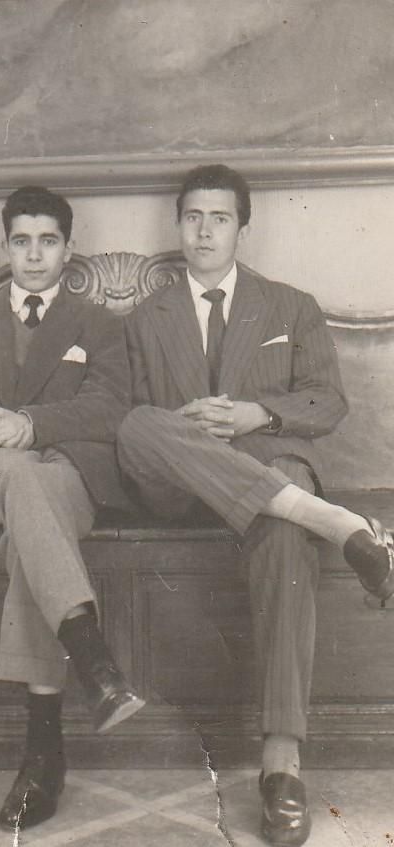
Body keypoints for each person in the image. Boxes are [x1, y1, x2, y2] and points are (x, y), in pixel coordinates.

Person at [117, 164, 393, 847]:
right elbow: (118, 414)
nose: (203, 230)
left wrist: (254, 414)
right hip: (178, 488)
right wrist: (183, 423)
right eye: (192, 217)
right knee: (136, 427)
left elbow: (327, 403)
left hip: (268, 472)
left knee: (282, 534)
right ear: (176, 223)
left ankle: (281, 765)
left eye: (218, 218)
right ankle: (338, 524)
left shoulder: (290, 306)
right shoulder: (143, 320)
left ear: (243, 226)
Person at [0, 186, 144, 832]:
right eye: (22, 240)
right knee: (18, 479)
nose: (34, 254)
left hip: (66, 471)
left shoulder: (99, 325)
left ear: (69, 249)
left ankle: (45, 750)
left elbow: (110, 409)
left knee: (31, 514)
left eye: (48, 241)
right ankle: (90, 658)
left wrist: (31, 422)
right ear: (5, 245)